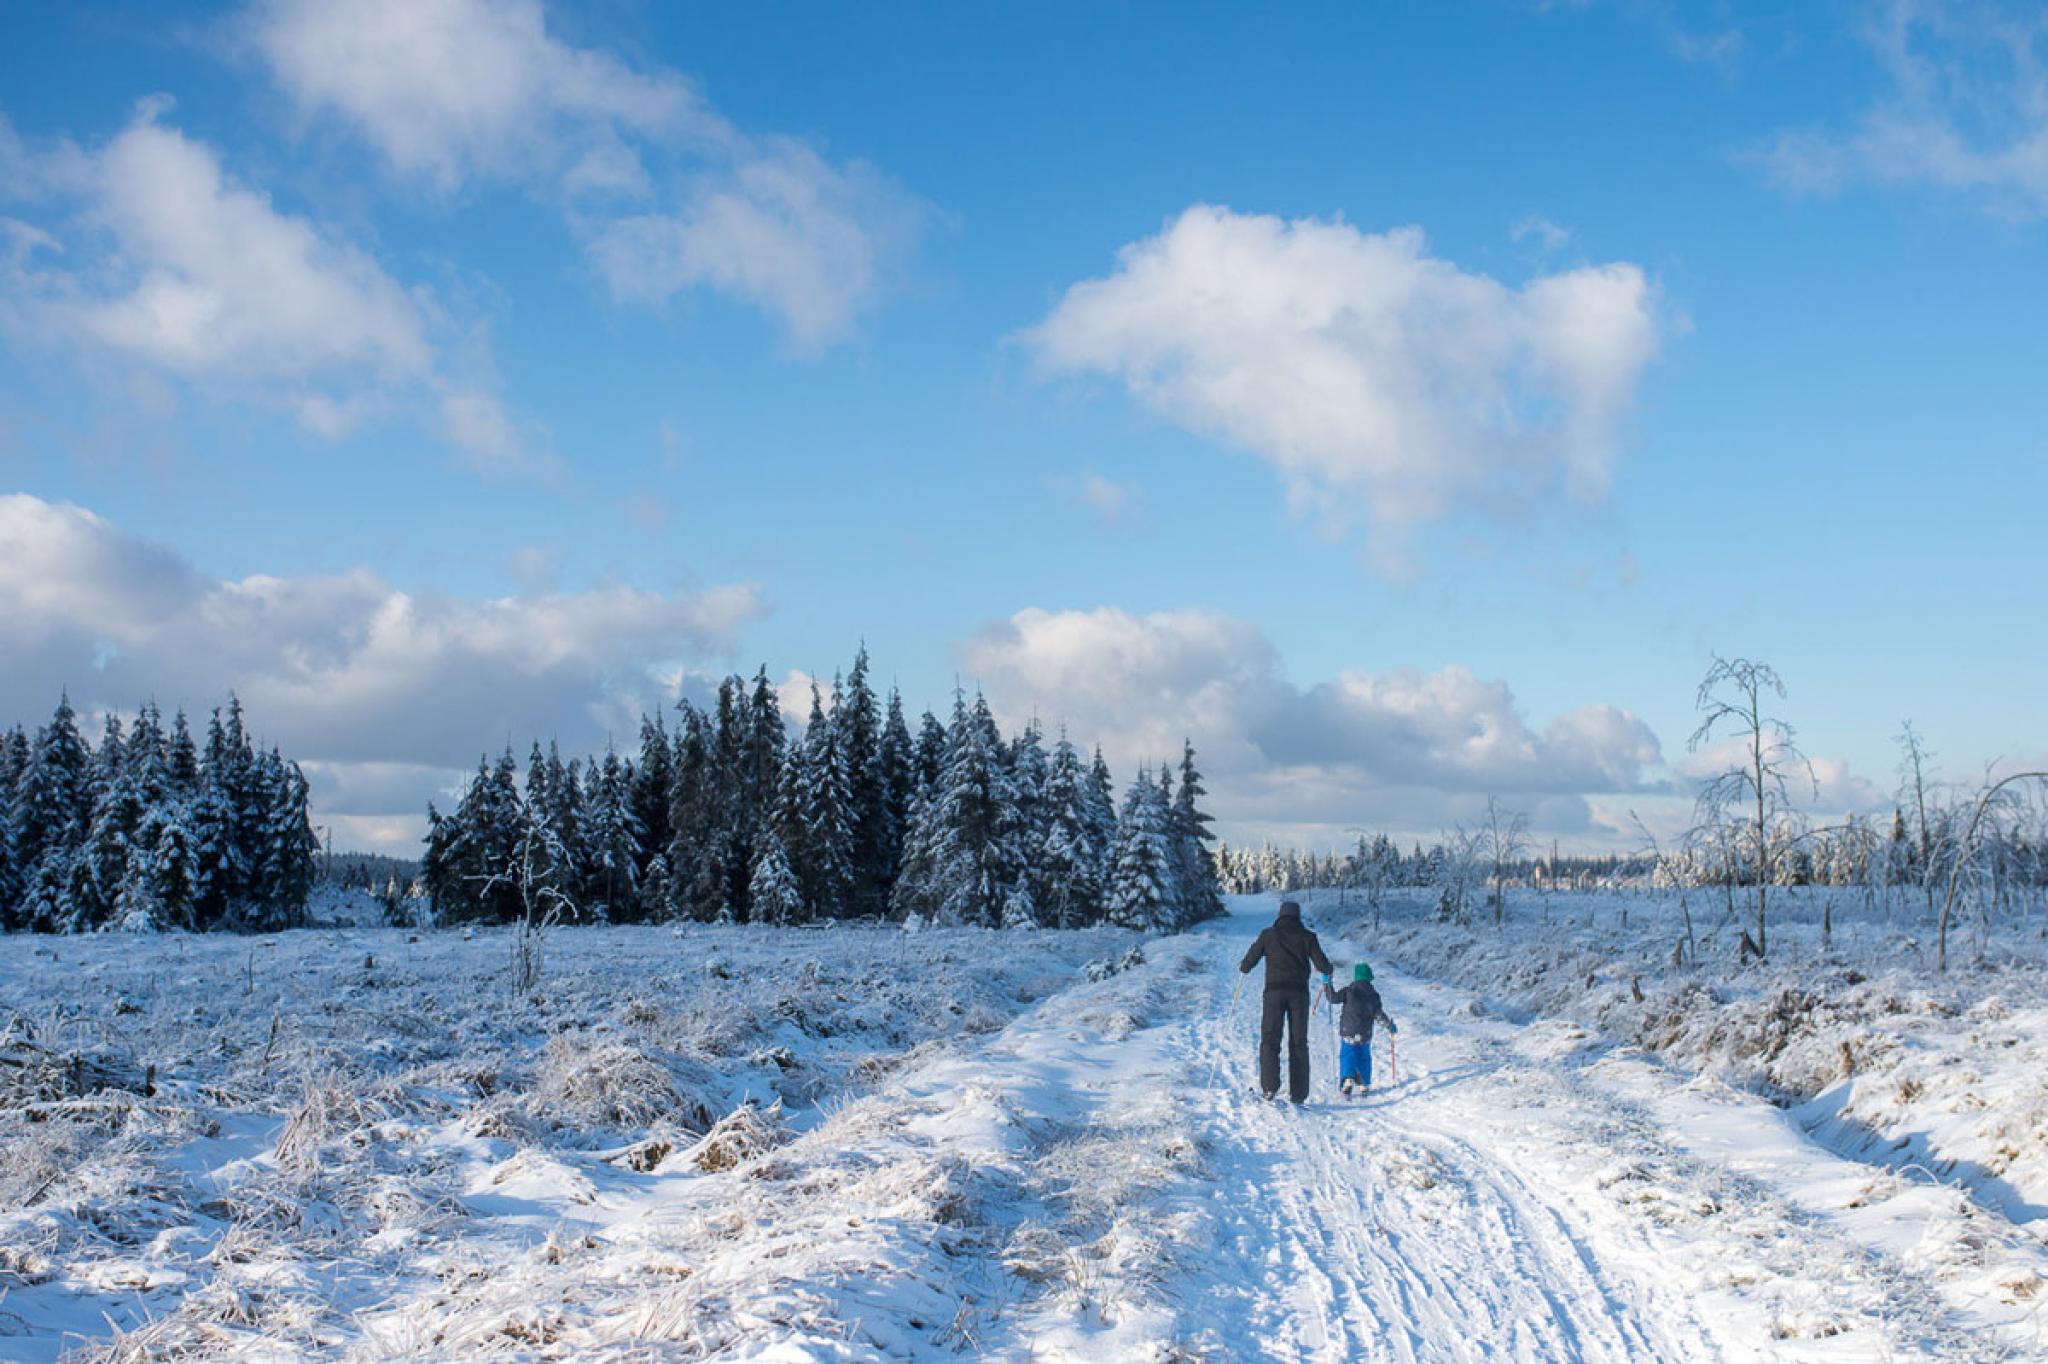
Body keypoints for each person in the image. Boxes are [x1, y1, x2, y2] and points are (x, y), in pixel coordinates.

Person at [1238, 899, 1332, 1103]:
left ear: (1280, 916)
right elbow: (1324, 965)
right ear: (1297, 917)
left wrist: (1244, 967)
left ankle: (1269, 1088)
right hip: (1299, 995)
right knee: (1299, 1042)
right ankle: (1298, 1094)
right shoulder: (1308, 937)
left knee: (1270, 1039)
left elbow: (1248, 962)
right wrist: (1327, 971)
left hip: (1274, 994)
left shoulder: (1268, 935)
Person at [1326, 963, 1397, 1097]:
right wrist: (1389, 1026)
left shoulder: (1349, 991)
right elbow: (1379, 1015)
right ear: (1369, 978)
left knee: (1347, 1055)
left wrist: (1327, 983)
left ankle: (1348, 1079)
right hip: (1365, 1034)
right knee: (1364, 1057)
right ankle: (1363, 1083)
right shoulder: (1374, 995)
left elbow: (1332, 998)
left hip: (1349, 1031)